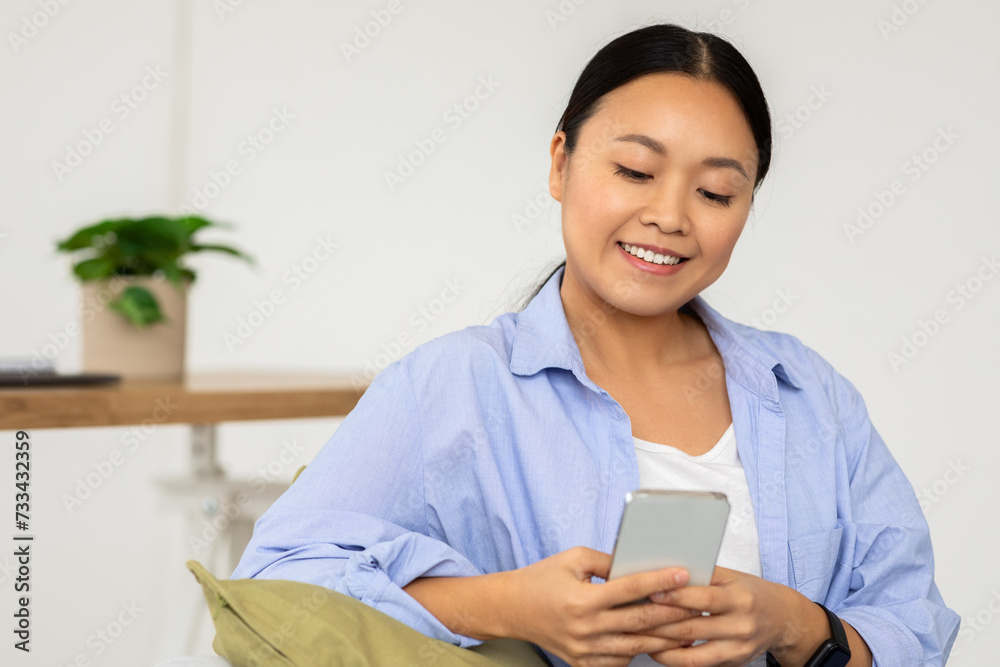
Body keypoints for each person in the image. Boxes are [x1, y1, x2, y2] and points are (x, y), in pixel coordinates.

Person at [231, 23, 960, 667]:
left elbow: (915, 629)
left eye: (715, 192)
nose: (669, 216)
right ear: (561, 163)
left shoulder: (809, 394)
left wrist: (794, 624)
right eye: (635, 172)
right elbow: (277, 580)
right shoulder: (452, 385)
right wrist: (510, 606)